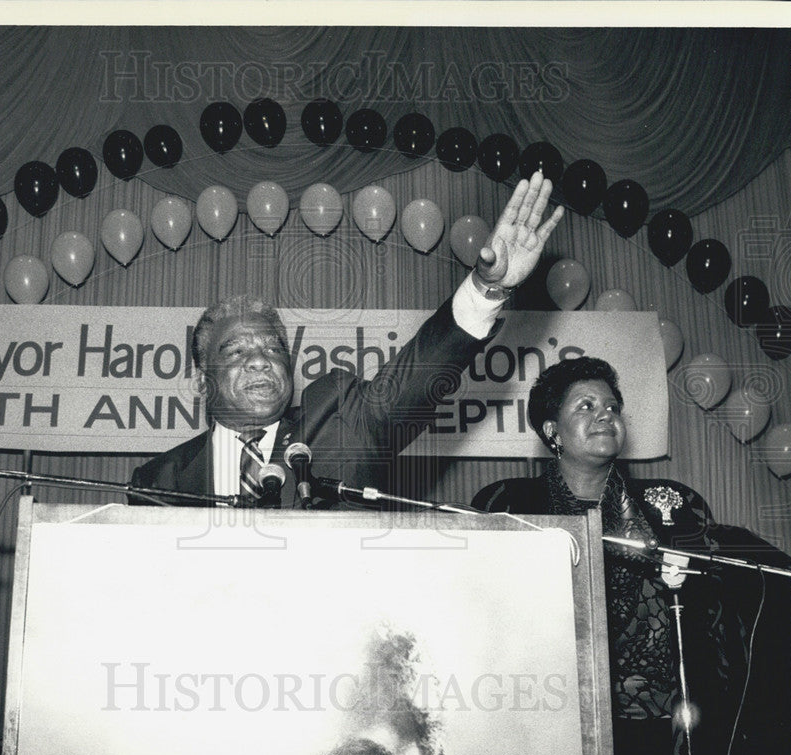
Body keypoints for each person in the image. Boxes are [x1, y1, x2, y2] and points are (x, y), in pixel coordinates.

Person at [129, 172, 564, 509]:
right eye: (237, 351)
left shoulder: (337, 422)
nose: (261, 361)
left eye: (272, 349)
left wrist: (485, 290)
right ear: (201, 383)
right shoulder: (158, 481)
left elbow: (411, 383)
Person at [471, 356, 791, 755]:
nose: (605, 415)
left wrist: (698, 576)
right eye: (586, 406)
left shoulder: (673, 503)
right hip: (552, 719)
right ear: (552, 431)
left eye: (612, 407)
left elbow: (723, 602)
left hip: (664, 729)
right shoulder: (508, 503)